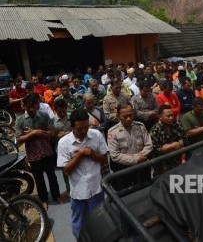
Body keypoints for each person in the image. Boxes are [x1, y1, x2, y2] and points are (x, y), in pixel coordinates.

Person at [56, 109, 109, 239]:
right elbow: (66, 171)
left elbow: (104, 159)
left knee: (98, 219)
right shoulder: (63, 143)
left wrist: (92, 154)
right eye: (80, 128)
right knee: (79, 222)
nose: (85, 131)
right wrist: (79, 155)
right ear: (72, 126)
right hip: (78, 192)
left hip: (97, 188)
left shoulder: (96, 135)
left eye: (87, 126)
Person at [15, 93, 61, 211]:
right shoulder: (20, 120)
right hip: (33, 156)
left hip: (47, 152)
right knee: (39, 180)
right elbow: (19, 140)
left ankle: (56, 196)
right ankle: (43, 200)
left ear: (37, 105)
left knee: (52, 177)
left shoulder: (44, 116)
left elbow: (53, 133)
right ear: (23, 106)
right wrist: (34, 134)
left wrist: (36, 131)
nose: (31, 109)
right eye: (28, 107)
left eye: (33, 106)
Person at [107, 103, 152, 191]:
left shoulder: (140, 126)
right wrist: (135, 160)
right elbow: (115, 155)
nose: (129, 118)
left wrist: (140, 156)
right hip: (124, 170)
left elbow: (149, 145)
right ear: (118, 116)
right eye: (125, 116)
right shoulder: (112, 132)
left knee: (145, 190)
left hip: (142, 167)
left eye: (130, 115)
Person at [150, 105, 188, 176]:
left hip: (177, 162)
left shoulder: (176, 124)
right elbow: (157, 149)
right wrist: (174, 145)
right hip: (162, 165)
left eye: (172, 115)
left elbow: (184, 140)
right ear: (160, 116)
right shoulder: (155, 130)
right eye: (168, 116)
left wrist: (167, 146)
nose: (171, 118)